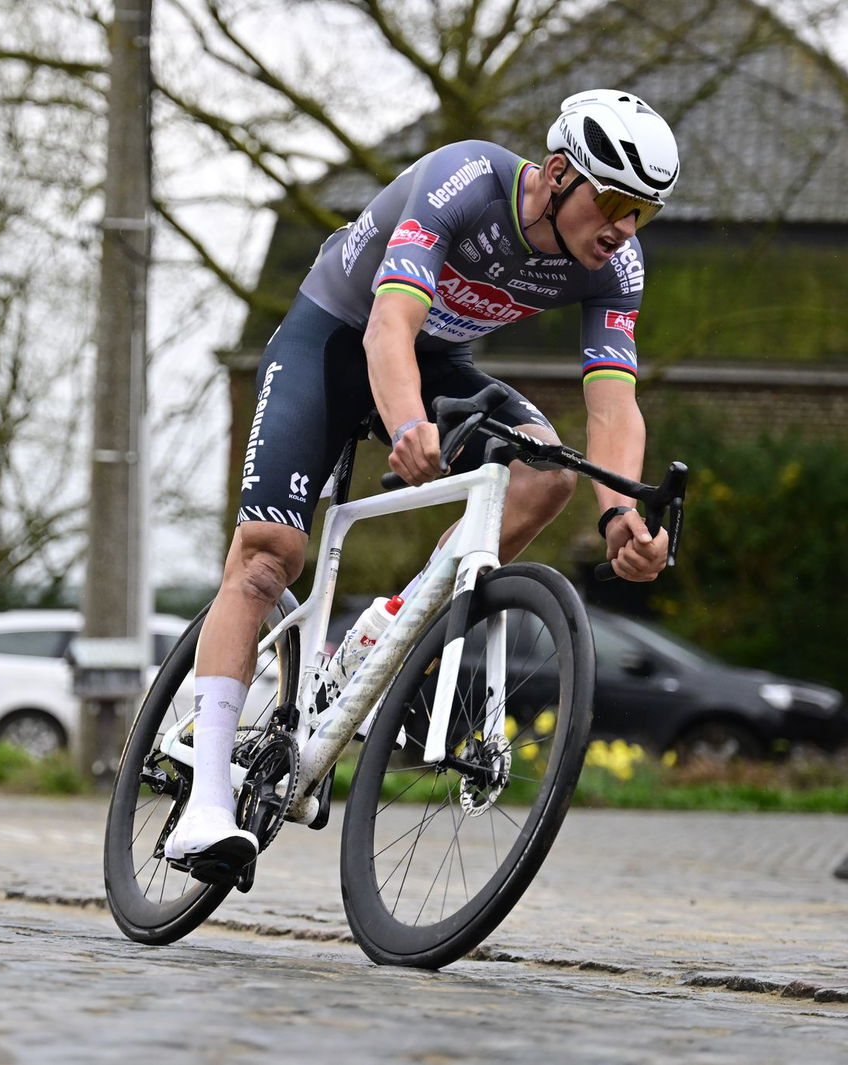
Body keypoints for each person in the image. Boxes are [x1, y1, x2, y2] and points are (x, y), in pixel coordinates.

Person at [167, 90, 680, 884]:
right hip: (334, 342)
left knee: (547, 472)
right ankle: (204, 809)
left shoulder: (615, 267)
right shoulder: (464, 180)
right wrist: (406, 423)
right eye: (612, 200)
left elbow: (613, 405)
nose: (622, 226)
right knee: (269, 557)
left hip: (439, 362)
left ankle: (390, 624)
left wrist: (621, 511)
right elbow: (387, 327)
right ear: (555, 175)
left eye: (641, 212)